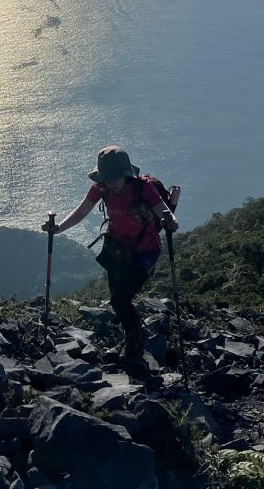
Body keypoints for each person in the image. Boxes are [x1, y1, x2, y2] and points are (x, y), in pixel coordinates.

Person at [42, 145, 178, 375]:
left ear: (126, 174)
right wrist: (58, 228)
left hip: (144, 251)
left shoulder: (143, 188)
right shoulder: (101, 187)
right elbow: (82, 211)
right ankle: (131, 336)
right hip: (116, 247)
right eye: (107, 178)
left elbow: (163, 211)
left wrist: (170, 222)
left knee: (119, 299)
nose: (111, 183)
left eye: (114, 178)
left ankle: (134, 344)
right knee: (117, 299)